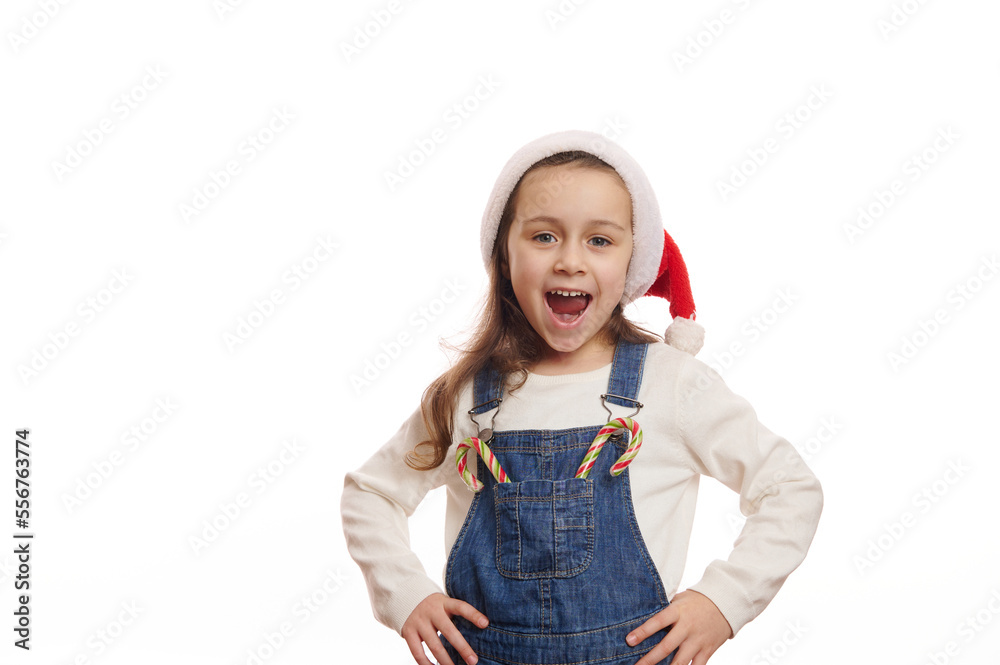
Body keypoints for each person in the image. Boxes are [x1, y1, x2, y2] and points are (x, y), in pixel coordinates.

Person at [341, 130, 823, 665]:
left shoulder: (672, 385)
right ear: (504, 254)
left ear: (633, 260)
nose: (570, 260)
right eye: (544, 236)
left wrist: (723, 602)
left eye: (600, 240)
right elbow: (372, 493)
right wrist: (406, 594)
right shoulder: (466, 396)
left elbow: (789, 487)